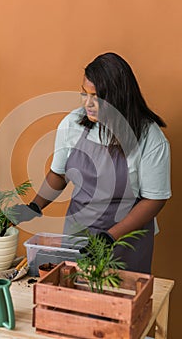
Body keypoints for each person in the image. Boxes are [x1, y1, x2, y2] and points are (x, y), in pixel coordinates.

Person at [12, 52, 171, 274]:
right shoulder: (72, 124)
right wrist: (35, 206)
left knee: (120, 303)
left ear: (119, 97)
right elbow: (59, 175)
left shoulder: (149, 137)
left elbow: (155, 199)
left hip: (127, 241)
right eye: (84, 94)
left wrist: (110, 236)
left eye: (96, 96)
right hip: (79, 234)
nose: (88, 103)